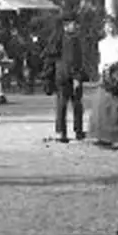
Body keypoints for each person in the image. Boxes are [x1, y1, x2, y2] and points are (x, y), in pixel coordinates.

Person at [89, 16, 118, 149]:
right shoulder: (101, 43)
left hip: (117, 74)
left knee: (117, 106)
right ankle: (102, 135)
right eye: (107, 26)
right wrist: (102, 71)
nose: (110, 28)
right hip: (105, 75)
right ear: (104, 28)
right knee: (102, 106)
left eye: (112, 26)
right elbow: (101, 59)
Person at [52, 13, 88, 142]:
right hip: (69, 75)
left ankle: (62, 131)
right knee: (75, 104)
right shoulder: (71, 39)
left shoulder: (58, 38)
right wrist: (76, 77)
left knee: (62, 104)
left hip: (61, 74)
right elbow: (72, 60)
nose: (76, 26)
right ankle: (76, 131)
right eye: (73, 24)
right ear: (66, 26)